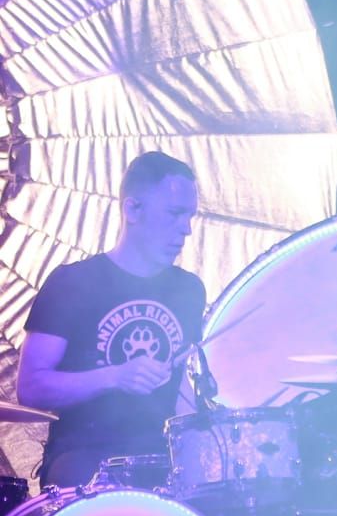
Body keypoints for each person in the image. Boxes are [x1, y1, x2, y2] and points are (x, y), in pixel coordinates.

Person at [17, 151, 206, 487]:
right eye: (175, 214)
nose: (186, 229)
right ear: (132, 209)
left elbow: (182, 388)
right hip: (85, 458)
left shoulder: (189, 290)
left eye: (190, 216)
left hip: (163, 459)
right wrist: (113, 376)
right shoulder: (71, 283)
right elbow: (30, 387)